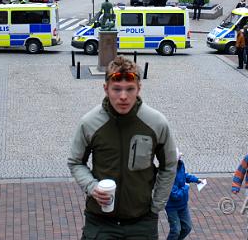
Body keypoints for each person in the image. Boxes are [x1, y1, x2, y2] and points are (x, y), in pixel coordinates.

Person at [67, 56, 177, 239]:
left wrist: (157, 205)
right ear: (106, 89)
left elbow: (169, 165)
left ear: (139, 88)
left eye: (130, 89)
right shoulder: (89, 123)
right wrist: (92, 186)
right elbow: (75, 162)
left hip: (141, 222)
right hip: (100, 222)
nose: (123, 96)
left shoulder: (156, 123)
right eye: (116, 89)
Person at [165, 149, 202, 240]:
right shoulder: (168, 174)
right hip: (172, 207)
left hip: (183, 205)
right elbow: (175, 194)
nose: (181, 158)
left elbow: (184, 176)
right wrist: (186, 187)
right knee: (176, 230)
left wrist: (195, 179)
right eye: (179, 157)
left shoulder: (180, 165)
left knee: (187, 227)